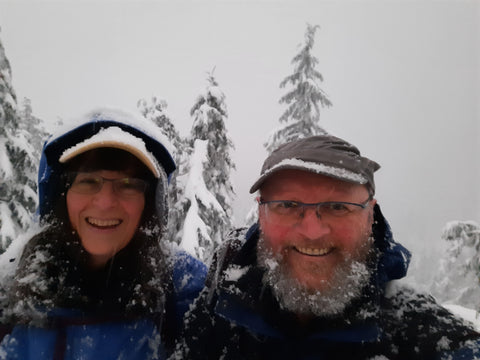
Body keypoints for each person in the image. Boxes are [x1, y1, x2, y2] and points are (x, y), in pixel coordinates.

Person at [175, 135, 480, 359]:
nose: (312, 231)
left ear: (370, 214)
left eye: (337, 206)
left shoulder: (414, 329)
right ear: (261, 214)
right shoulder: (224, 304)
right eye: (288, 204)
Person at [0, 108, 206, 359]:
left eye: (128, 184)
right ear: (61, 195)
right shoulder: (10, 290)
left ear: (150, 204)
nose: (106, 202)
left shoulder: (184, 292)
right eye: (88, 181)